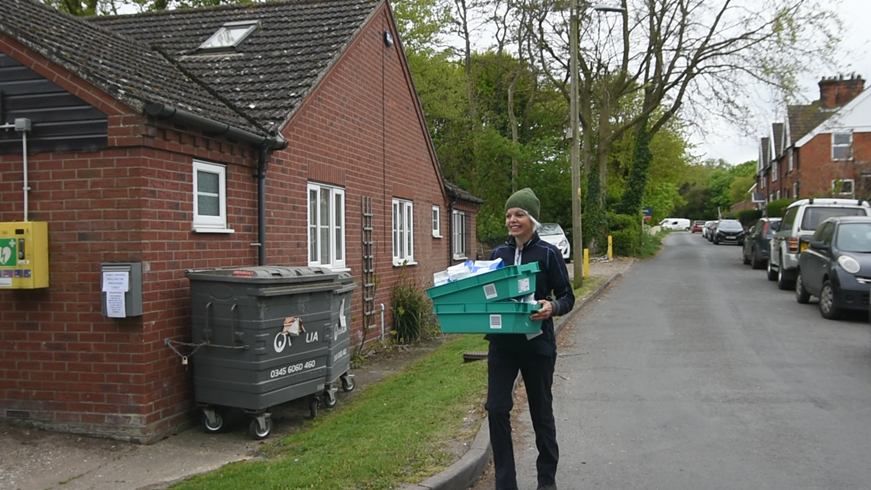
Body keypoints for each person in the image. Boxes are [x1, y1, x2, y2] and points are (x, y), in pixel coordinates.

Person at [485, 187, 575, 490]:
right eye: (509, 215)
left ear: (532, 219)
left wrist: (552, 306)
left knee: (541, 412)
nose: (512, 220)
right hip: (503, 345)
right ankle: (505, 483)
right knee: (496, 408)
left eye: (519, 214)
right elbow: (488, 295)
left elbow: (567, 296)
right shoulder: (498, 254)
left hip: (537, 345)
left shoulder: (548, 253)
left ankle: (546, 482)